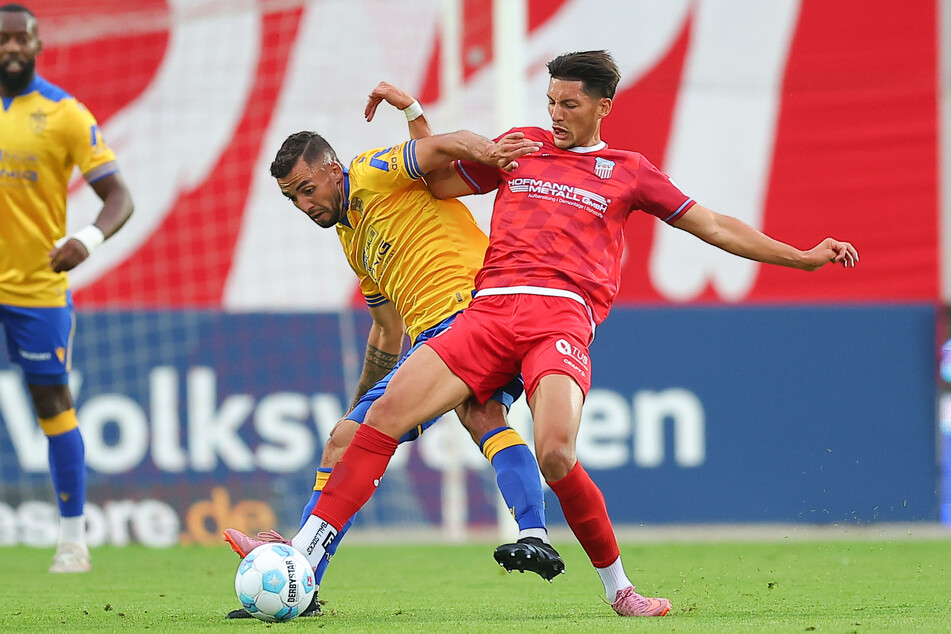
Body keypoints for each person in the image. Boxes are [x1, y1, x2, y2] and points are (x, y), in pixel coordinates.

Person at [231, 50, 859, 618]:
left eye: (570, 104)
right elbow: (436, 187)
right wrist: (457, 141)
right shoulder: (525, 146)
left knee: (556, 451)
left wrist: (801, 257)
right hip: (489, 310)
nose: (556, 114)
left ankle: (620, 589)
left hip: (559, 317)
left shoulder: (628, 171)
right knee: (378, 420)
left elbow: (715, 226)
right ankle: (304, 567)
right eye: (551, 101)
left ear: (602, 107)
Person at [223, 83, 561, 618]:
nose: (304, 205)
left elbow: (443, 145)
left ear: (333, 168)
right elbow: (385, 330)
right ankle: (535, 532)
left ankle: (299, 570)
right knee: (466, 417)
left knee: (365, 439)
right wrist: (363, 401)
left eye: (308, 189)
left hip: (475, 313)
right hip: (437, 337)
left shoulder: (373, 169)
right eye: (293, 199)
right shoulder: (352, 238)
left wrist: (489, 151)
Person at [0, 4, 133, 573]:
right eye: (1, 40)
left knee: (52, 405)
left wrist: (87, 239)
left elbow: (119, 197)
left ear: (37, 44)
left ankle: (73, 541)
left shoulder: (65, 114)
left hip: (36, 290)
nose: (9, 48)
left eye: (19, 39)